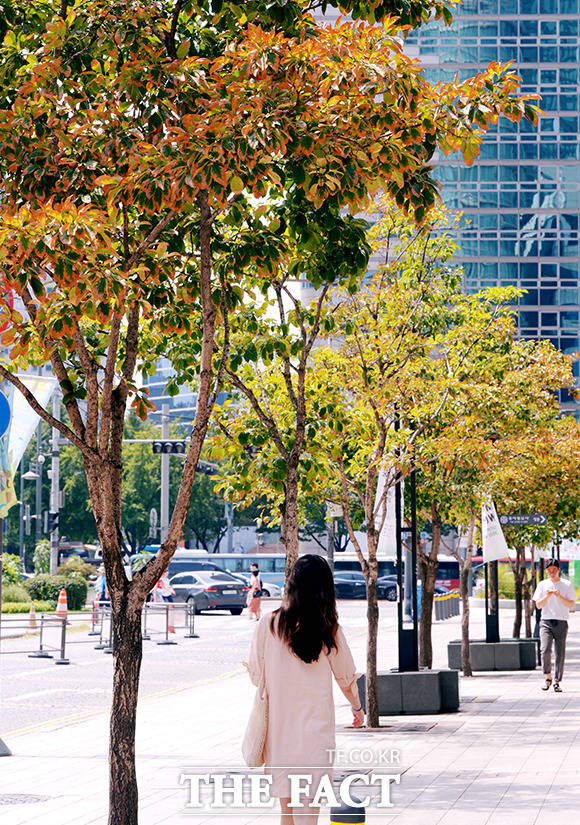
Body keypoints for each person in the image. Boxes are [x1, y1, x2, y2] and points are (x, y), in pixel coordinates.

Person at [246, 554, 364, 824]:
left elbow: (256, 675)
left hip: (280, 733)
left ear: (292, 584)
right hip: (315, 737)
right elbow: (346, 678)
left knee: (287, 814)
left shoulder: (268, 623)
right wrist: (357, 709)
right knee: (308, 814)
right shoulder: (329, 628)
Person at [533, 558, 576, 692]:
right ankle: (548, 677)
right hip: (546, 621)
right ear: (546, 571)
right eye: (549, 570)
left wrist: (559, 596)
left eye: (554, 570)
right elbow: (538, 605)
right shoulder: (542, 585)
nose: (551, 572)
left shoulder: (566, 585)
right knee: (545, 650)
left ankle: (557, 681)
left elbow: (571, 605)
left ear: (558, 570)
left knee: (560, 653)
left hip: (561, 621)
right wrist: (547, 596)